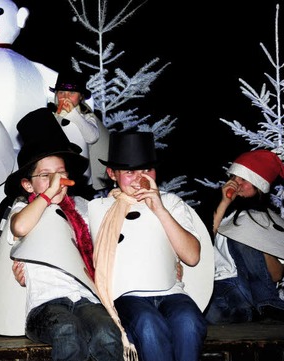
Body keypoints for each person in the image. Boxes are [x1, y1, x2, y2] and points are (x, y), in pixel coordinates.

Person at [2, 111, 124, 361]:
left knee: (107, 332)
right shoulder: (23, 208)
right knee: (68, 331)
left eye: (61, 174)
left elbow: (107, 243)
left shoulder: (82, 207)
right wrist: (47, 197)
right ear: (27, 185)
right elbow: (20, 228)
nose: (56, 181)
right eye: (46, 176)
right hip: (46, 304)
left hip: (86, 297)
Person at [87, 131, 207, 361]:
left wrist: (159, 209)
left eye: (147, 170)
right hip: (128, 297)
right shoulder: (97, 208)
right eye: (130, 172)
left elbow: (191, 257)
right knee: (148, 325)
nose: (140, 179)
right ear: (113, 173)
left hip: (171, 292)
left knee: (189, 322)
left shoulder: (171, 203)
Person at [205, 149, 284, 324]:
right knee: (208, 313)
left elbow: (277, 275)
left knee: (241, 237)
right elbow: (202, 242)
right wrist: (224, 203)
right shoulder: (217, 211)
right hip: (221, 284)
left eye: (243, 179)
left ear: (259, 185)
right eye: (233, 178)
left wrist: (260, 244)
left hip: (250, 286)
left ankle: (266, 305)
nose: (236, 184)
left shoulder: (270, 222)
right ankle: (252, 315)